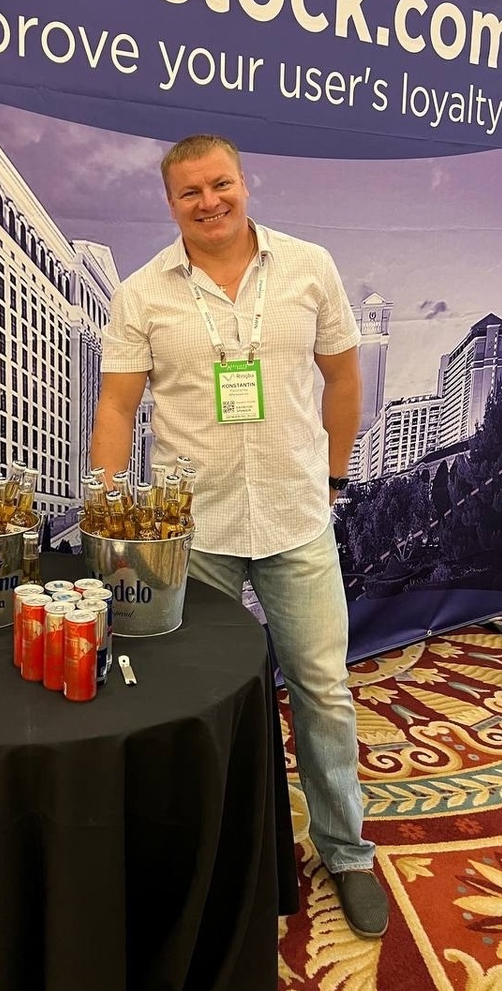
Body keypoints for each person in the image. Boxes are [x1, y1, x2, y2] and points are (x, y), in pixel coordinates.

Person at [89, 133, 389, 939]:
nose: (209, 201)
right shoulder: (142, 293)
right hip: (195, 532)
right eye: (190, 192)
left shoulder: (309, 268)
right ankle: (208, 853)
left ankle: (347, 851)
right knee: (198, 699)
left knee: (322, 692)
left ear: (244, 183)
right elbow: (116, 406)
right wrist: (107, 518)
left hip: (295, 517)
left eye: (220, 183)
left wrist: (334, 478)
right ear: (170, 203)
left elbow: (343, 378)